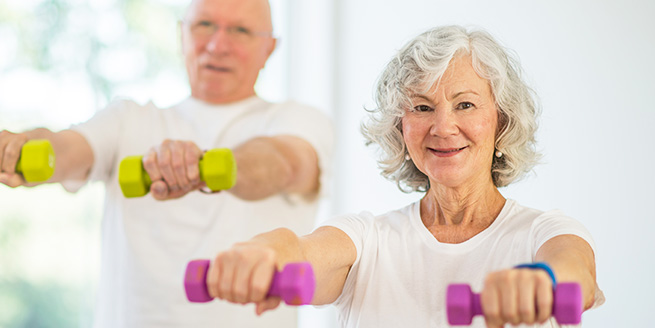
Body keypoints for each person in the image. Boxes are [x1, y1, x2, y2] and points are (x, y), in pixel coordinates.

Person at [200, 25, 605, 327]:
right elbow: (301, 254)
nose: (443, 128)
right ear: (400, 127)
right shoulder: (367, 239)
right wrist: (265, 253)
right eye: (422, 108)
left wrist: (542, 283)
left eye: (465, 105)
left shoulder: (544, 233)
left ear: (502, 122)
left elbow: (575, 272)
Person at [0, 0, 333, 327]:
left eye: (241, 30)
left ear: (270, 48)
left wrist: (201, 166)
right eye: (204, 25)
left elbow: (282, 163)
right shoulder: (127, 120)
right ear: (181, 34)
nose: (218, 45)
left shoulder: (298, 120)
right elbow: (65, 149)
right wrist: (19, 147)